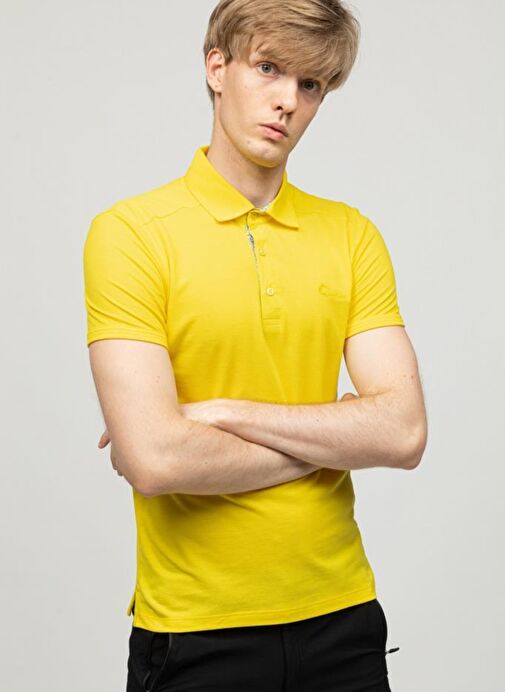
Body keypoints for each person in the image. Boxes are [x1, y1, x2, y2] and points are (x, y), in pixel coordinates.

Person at [83, 0, 428, 689]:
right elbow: (154, 459)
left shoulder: (351, 235)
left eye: (310, 85)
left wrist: (221, 413)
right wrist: (336, 438)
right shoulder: (131, 234)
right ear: (217, 68)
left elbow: (403, 433)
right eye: (268, 68)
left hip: (344, 620)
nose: (288, 101)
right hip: (195, 632)